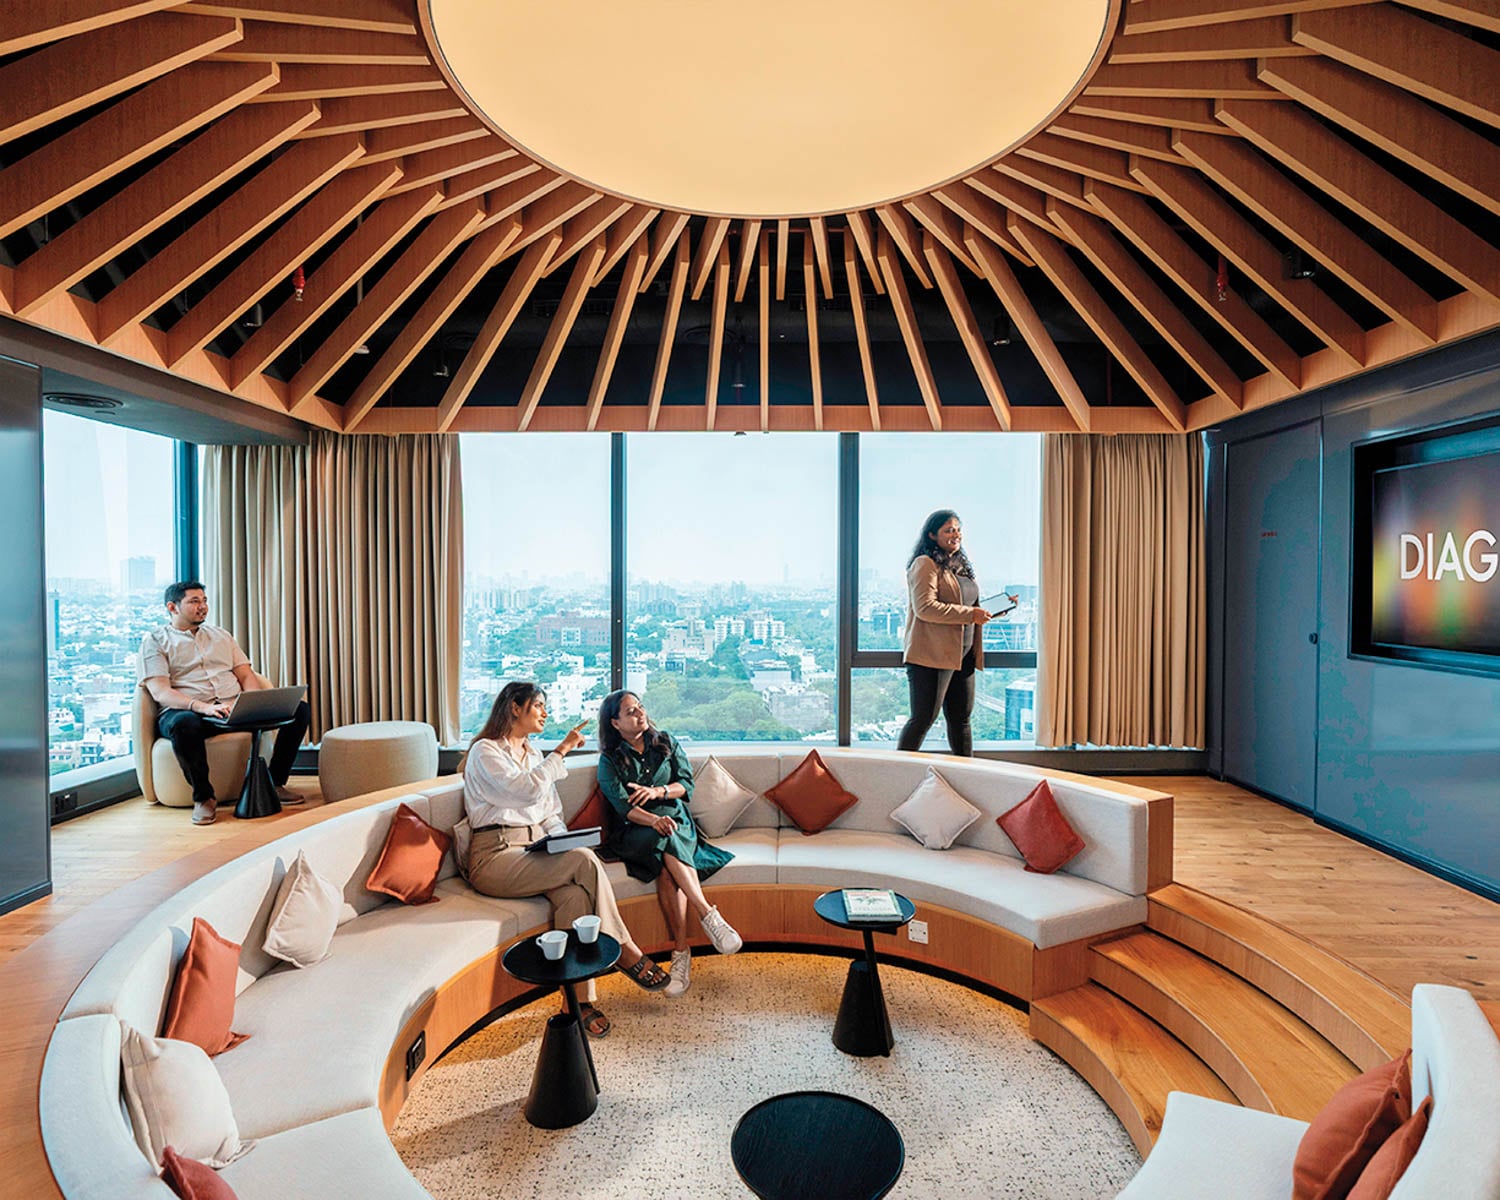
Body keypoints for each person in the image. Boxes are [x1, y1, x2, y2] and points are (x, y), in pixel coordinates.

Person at [463, 682, 670, 1037]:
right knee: (585, 861)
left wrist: (561, 842)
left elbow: (551, 814)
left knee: (575, 897)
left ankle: (578, 1001)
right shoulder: (486, 752)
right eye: (539, 706)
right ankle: (623, 947)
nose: (545, 713)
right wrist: (561, 751)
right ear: (515, 708)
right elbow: (525, 790)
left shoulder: (532, 754)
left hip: (533, 851)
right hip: (494, 856)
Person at [596, 690, 741, 999]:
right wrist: (653, 820)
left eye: (640, 707)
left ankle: (680, 953)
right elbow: (625, 808)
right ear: (615, 722)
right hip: (637, 831)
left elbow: (685, 784)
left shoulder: (665, 741)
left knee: (667, 866)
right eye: (631, 711)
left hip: (677, 821)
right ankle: (708, 916)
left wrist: (658, 792)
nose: (640, 714)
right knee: (665, 835)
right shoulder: (609, 760)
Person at [138, 581, 311, 827]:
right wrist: (203, 707)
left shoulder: (221, 635)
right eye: (194, 601)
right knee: (184, 725)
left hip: (232, 708)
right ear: (172, 607)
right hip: (188, 712)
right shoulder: (155, 642)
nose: (203, 607)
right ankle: (204, 798)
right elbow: (160, 692)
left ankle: (274, 782)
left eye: (204, 600)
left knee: (300, 710)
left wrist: (253, 701)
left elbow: (245, 674)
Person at [897, 510, 1009, 757]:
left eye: (958, 529)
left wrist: (991, 611)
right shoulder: (925, 563)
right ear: (932, 534)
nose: (955, 534)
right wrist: (971, 614)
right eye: (948, 530)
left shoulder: (959, 567)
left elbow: (969, 609)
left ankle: (966, 776)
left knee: (961, 721)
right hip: (932, 656)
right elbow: (925, 608)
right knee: (923, 720)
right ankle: (898, 772)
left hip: (964, 655)